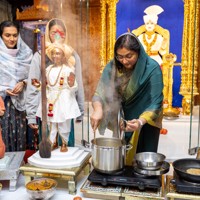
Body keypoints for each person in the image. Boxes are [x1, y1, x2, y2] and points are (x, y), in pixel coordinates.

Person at [90, 32, 163, 165]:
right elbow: (100, 92)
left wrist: (140, 122)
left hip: (147, 120)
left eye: (129, 56)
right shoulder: (113, 66)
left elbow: (156, 102)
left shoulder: (152, 68)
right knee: (121, 157)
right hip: (123, 117)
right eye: (120, 57)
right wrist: (98, 109)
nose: (124, 61)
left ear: (138, 52)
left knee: (142, 160)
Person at [26, 18, 84, 147]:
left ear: (66, 34)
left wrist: (81, 111)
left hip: (65, 108)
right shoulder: (40, 56)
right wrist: (31, 115)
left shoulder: (72, 57)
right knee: (48, 142)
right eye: (53, 33)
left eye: (61, 32)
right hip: (47, 109)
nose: (57, 36)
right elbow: (33, 87)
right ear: (47, 33)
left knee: (65, 139)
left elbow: (78, 84)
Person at [34, 43, 81, 152]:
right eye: (53, 53)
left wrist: (71, 83)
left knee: (64, 123)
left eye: (58, 53)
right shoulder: (48, 69)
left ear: (63, 56)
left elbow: (74, 87)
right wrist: (38, 85)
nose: (55, 56)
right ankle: (53, 142)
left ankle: (64, 143)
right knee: (52, 122)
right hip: (51, 98)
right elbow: (45, 85)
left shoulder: (68, 69)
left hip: (64, 98)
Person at [0, 20, 33, 151]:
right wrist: (3, 89)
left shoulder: (26, 54)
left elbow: (35, 76)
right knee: (3, 137)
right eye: (7, 35)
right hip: (2, 104)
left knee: (20, 137)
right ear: (1, 36)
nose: (12, 39)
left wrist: (24, 82)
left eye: (15, 35)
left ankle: (18, 168)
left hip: (20, 105)